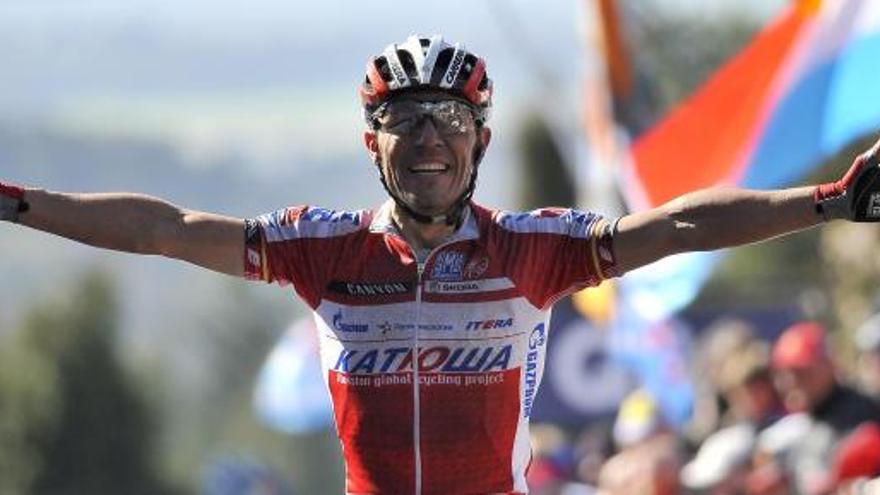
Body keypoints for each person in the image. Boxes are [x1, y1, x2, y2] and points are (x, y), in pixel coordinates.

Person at [2, 34, 880, 495]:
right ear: (371, 141)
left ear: (482, 141)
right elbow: (166, 226)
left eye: (450, 121)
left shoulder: (534, 251)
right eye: (407, 119)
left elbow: (680, 226)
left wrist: (827, 202)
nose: (429, 139)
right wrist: (17, 202)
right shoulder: (321, 250)